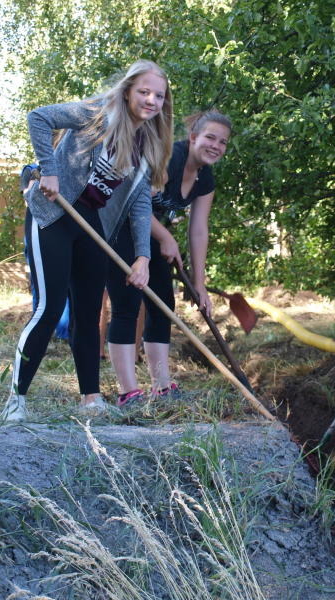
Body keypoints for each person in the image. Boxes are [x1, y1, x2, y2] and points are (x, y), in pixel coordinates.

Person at [1, 59, 174, 421]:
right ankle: (16, 399)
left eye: (158, 95)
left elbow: (140, 203)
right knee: (49, 308)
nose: (151, 100)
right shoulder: (98, 112)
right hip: (53, 213)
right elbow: (39, 117)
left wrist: (142, 256)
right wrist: (48, 171)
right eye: (144, 91)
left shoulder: (147, 143)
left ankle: (90, 399)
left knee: (89, 312)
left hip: (92, 225)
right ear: (128, 90)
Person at [106, 110, 231, 407]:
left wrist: (199, 284)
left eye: (222, 142)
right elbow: (133, 201)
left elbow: (199, 229)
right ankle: (128, 392)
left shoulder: (205, 178)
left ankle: (162, 386)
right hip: (119, 227)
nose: (215, 145)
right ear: (193, 138)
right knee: (127, 304)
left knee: (164, 305)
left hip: (151, 233)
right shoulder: (170, 158)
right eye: (210, 137)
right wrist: (165, 237)